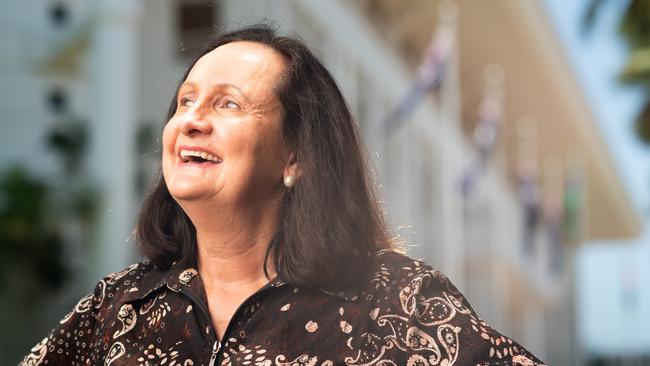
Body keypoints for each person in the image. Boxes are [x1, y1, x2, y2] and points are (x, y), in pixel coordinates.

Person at [20, 25, 545, 366]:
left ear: (297, 157)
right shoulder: (118, 306)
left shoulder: (397, 301)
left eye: (227, 105)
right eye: (184, 101)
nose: (192, 121)